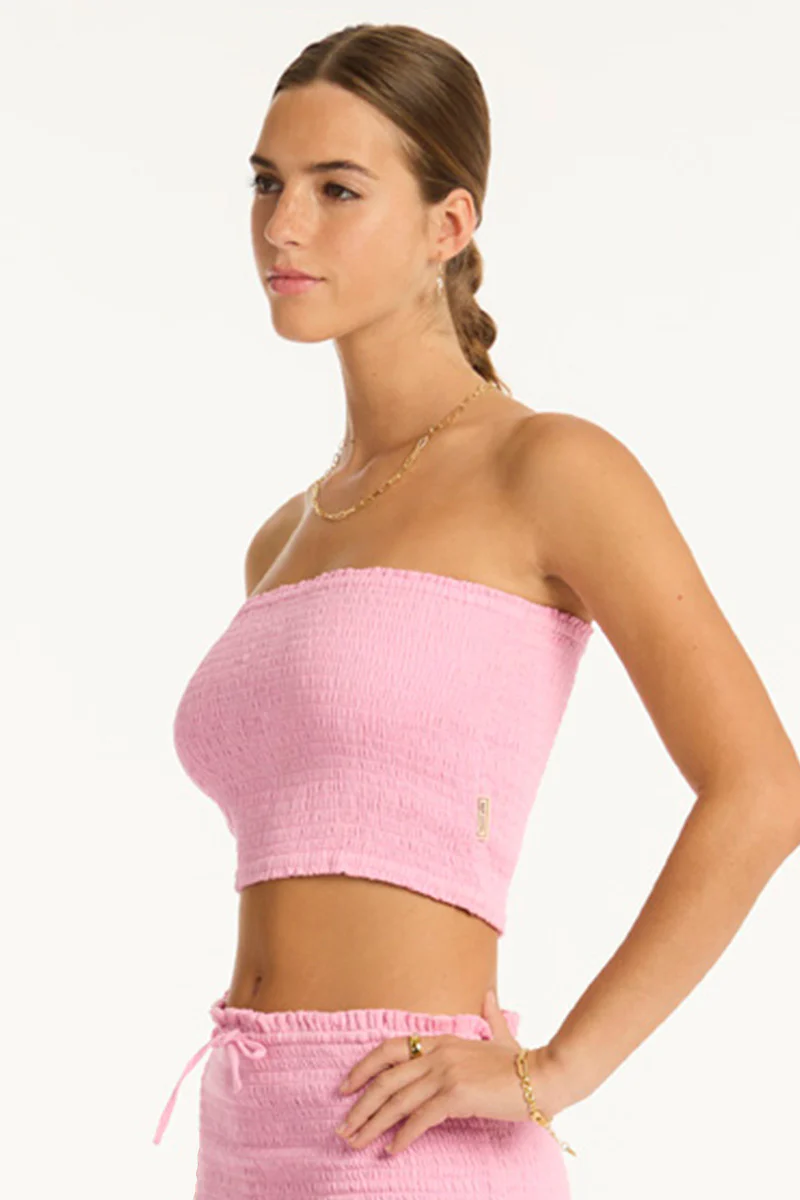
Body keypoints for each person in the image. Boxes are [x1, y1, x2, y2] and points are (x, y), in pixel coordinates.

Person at [152, 21, 800, 1200]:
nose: (281, 226)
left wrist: (557, 1069)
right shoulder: (281, 538)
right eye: (266, 182)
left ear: (447, 225)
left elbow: (761, 787)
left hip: (413, 1134)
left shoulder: (546, 469)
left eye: (336, 189)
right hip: (242, 1131)